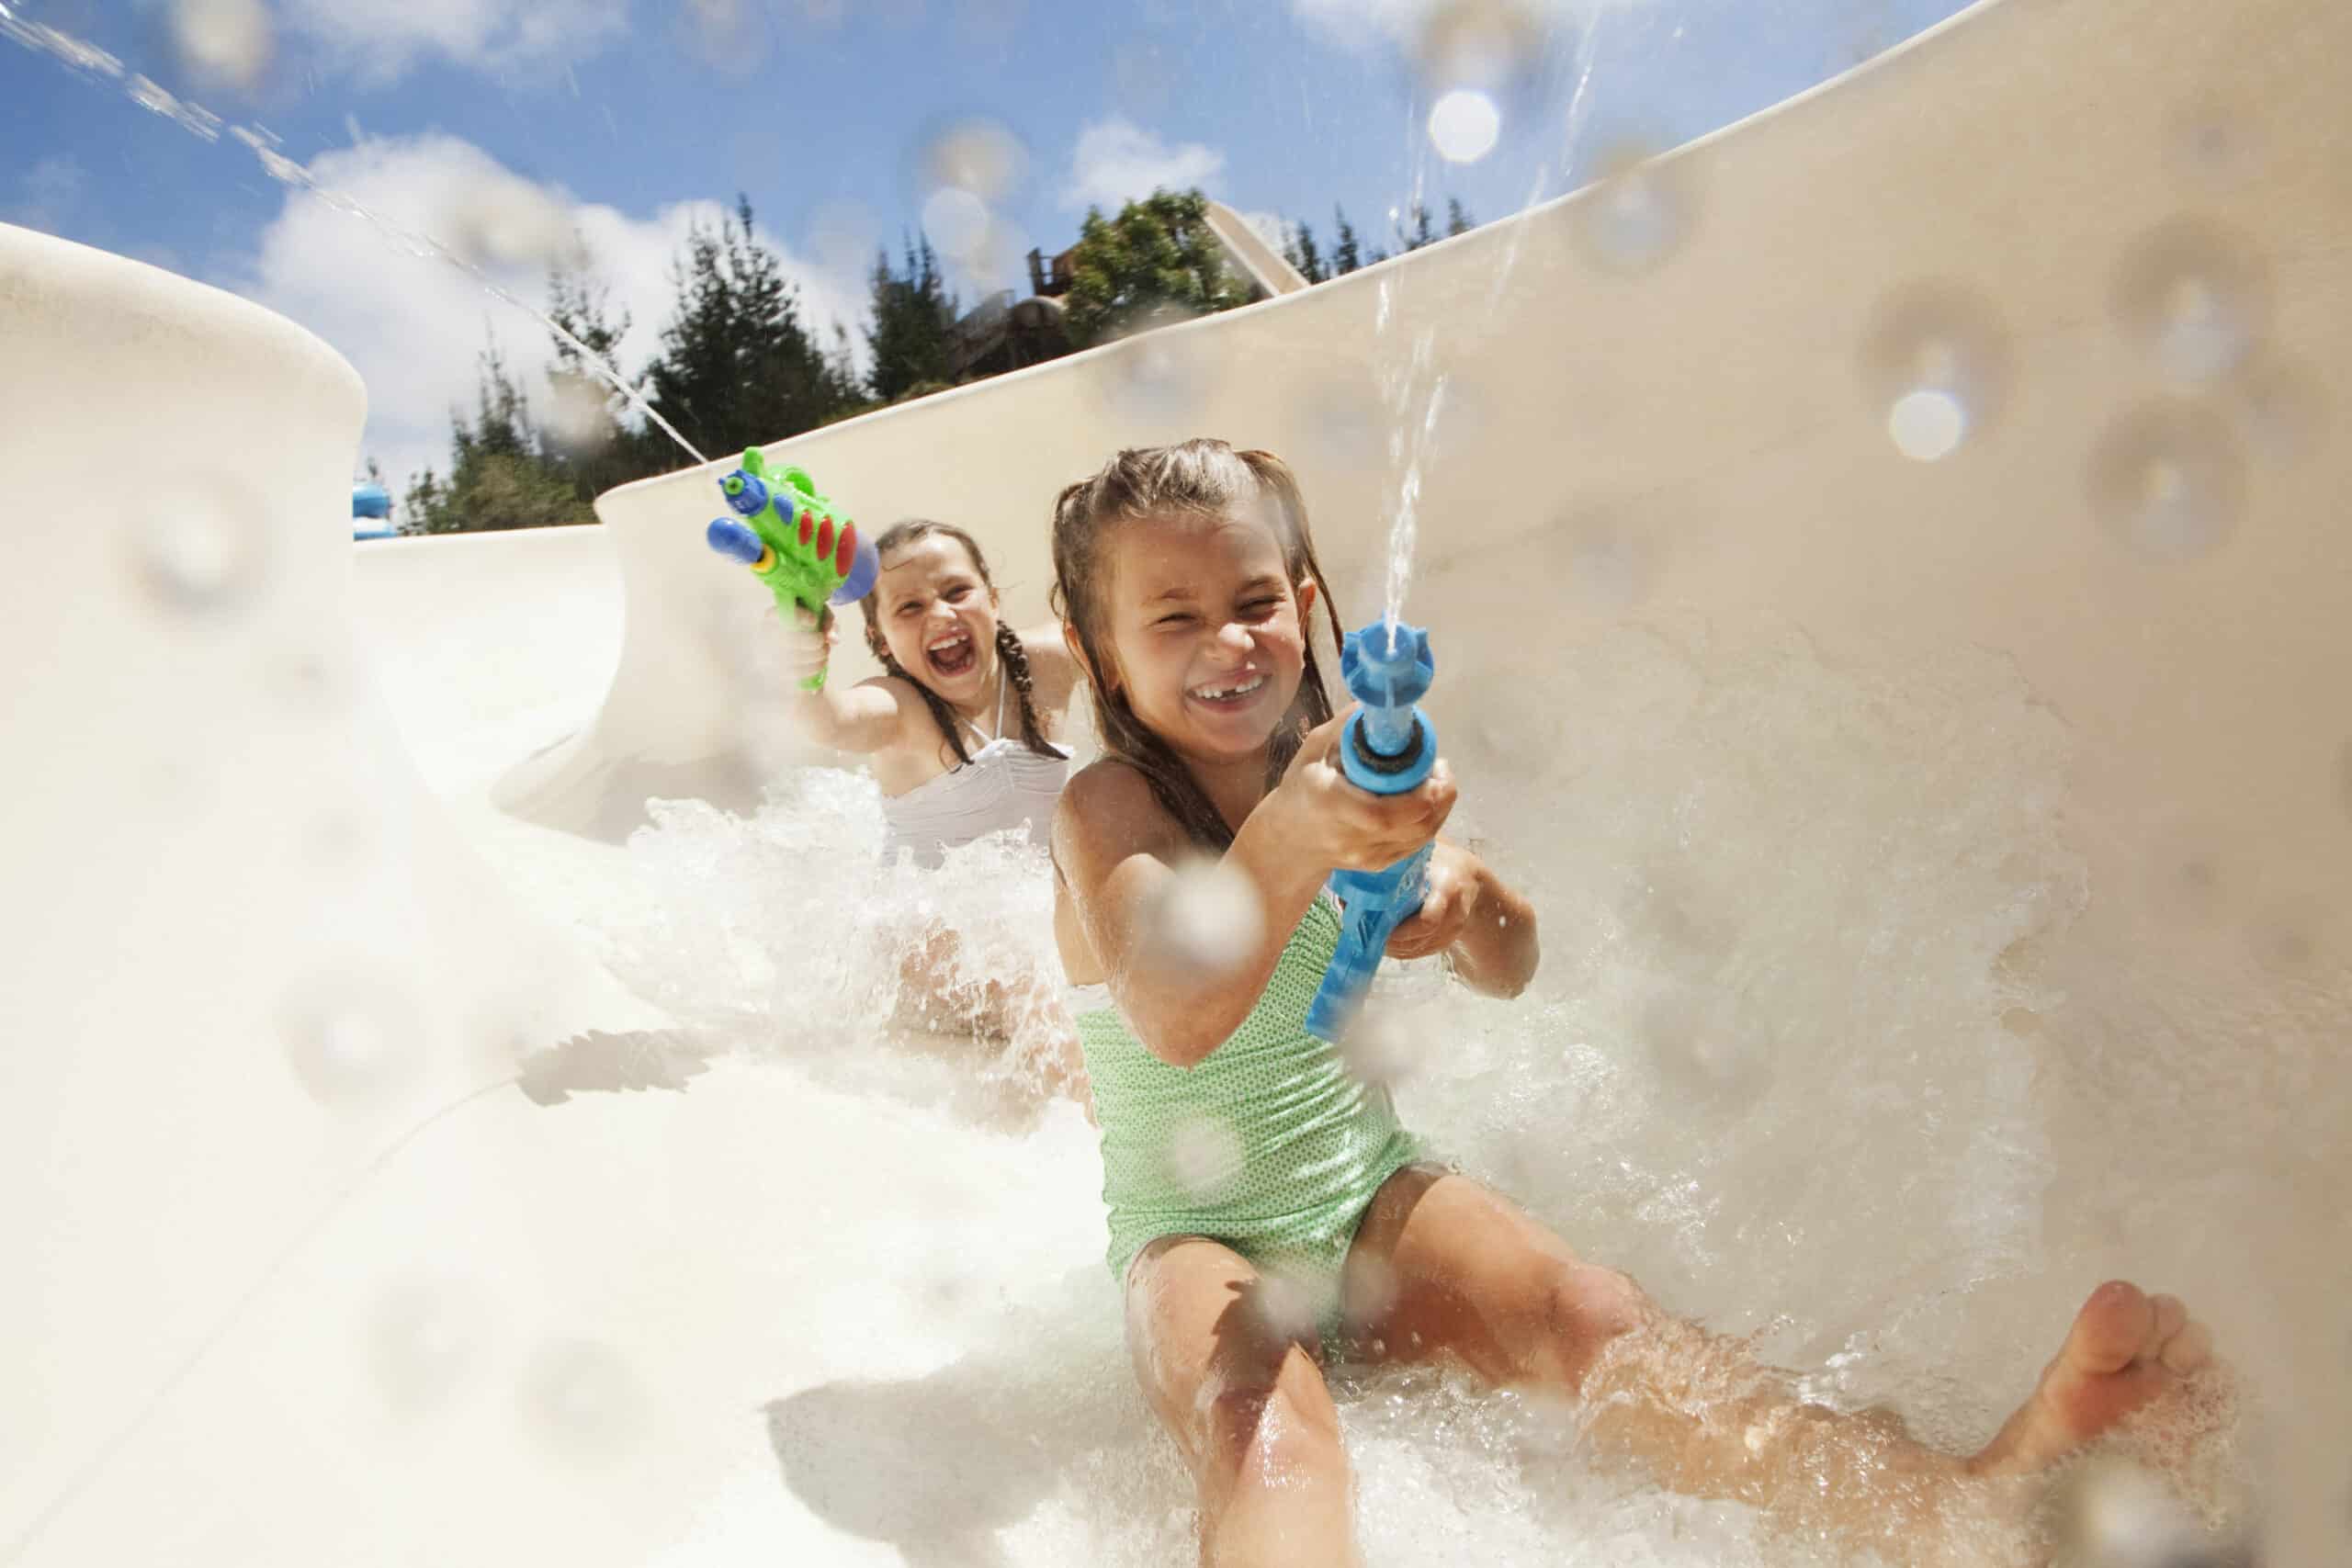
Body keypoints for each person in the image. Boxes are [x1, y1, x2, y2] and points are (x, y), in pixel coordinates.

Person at [1046, 438, 2212, 1565]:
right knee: (1267, 1436)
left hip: (1366, 1194)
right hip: (1194, 1234)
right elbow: (1173, 1014)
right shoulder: (1110, 809)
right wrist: (1296, 834)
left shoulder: (1347, 767)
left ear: (1302, 603)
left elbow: (1514, 966)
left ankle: (1963, 1520)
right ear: (1101, 653)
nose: (1228, 642)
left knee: (1588, 1314)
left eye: (1253, 600)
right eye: (1174, 617)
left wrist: (1467, 897)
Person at [785, 518, 1086, 1105]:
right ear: (879, 640)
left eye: (956, 592)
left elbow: (1126, 631)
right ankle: (1111, 1127)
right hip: (929, 946)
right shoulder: (898, 708)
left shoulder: (1045, 661)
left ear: (993, 600)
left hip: (1028, 914)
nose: (940, 616)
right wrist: (802, 669)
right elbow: (830, 719)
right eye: (910, 608)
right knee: (1023, 969)